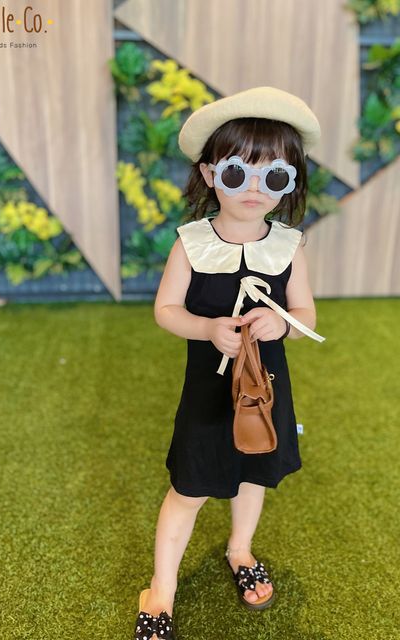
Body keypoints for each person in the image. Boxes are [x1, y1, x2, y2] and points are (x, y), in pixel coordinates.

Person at [133, 86, 326, 640]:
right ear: (211, 174)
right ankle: (161, 586)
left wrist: (282, 324)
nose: (255, 189)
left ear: (290, 183)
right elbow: (166, 310)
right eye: (239, 173)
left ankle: (240, 548)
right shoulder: (192, 243)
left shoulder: (288, 245)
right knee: (190, 486)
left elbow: (305, 312)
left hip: (263, 387)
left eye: (275, 176)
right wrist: (206, 328)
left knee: (253, 471)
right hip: (208, 390)